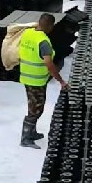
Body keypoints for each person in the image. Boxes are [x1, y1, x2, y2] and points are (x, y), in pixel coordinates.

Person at [19, 13, 67, 147]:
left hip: (26, 76)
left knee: (34, 107)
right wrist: (61, 81)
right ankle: (25, 138)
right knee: (35, 110)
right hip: (36, 80)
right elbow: (50, 64)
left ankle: (32, 132)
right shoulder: (43, 42)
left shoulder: (28, 34)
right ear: (51, 26)